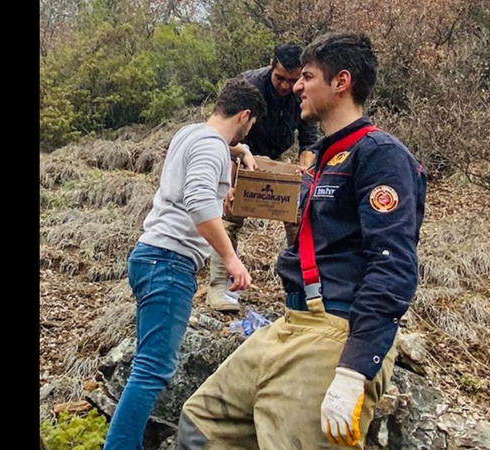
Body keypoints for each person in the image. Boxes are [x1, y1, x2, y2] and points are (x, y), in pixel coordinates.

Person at [177, 32, 428, 449]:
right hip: (291, 322)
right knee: (200, 424)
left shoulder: (381, 155)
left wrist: (354, 369)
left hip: (337, 330)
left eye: (307, 77)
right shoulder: (326, 159)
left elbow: (393, 266)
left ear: (341, 82)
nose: (296, 87)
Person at [103, 77, 266, 450]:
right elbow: (198, 204)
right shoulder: (211, 147)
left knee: (147, 365)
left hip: (150, 255)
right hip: (170, 263)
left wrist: (239, 153)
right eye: (251, 124)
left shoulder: (190, 134)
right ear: (245, 116)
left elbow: (199, 185)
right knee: (153, 369)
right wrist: (231, 259)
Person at [206, 43, 320, 312]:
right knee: (229, 215)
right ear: (272, 65)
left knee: (298, 216)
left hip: (277, 160)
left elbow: (309, 141)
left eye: (293, 80)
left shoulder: (304, 92)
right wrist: (229, 177)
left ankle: (302, 288)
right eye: (280, 78)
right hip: (240, 154)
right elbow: (225, 135)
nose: (286, 86)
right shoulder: (249, 86)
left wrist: (303, 173)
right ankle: (219, 286)